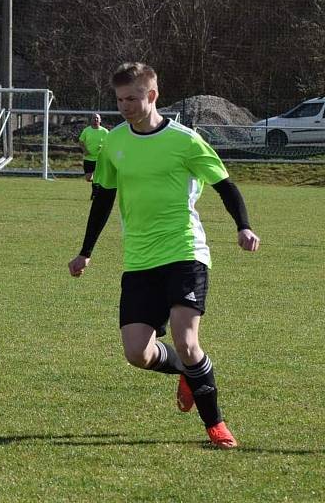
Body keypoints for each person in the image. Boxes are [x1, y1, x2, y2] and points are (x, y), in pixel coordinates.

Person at [67, 62, 260, 449]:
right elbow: (103, 199)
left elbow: (225, 185)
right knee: (136, 353)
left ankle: (215, 425)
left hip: (184, 250)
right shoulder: (114, 143)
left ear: (151, 95)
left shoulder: (186, 141)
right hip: (139, 260)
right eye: (120, 99)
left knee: (187, 340)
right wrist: (85, 251)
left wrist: (243, 225)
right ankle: (190, 373)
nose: (125, 106)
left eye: (132, 98)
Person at [77, 113, 108, 199]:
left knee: (97, 177)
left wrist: (103, 147)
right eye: (94, 118)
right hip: (88, 158)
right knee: (88, 178)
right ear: (91, 120)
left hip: (99, 159)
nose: (96, 120)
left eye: (97, 118)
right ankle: (97, 184)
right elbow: (81, 141)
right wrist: (85, 150)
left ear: (100, 120)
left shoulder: (105, 131)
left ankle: (95, 194)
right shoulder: (87, 130)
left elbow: (109, 142)